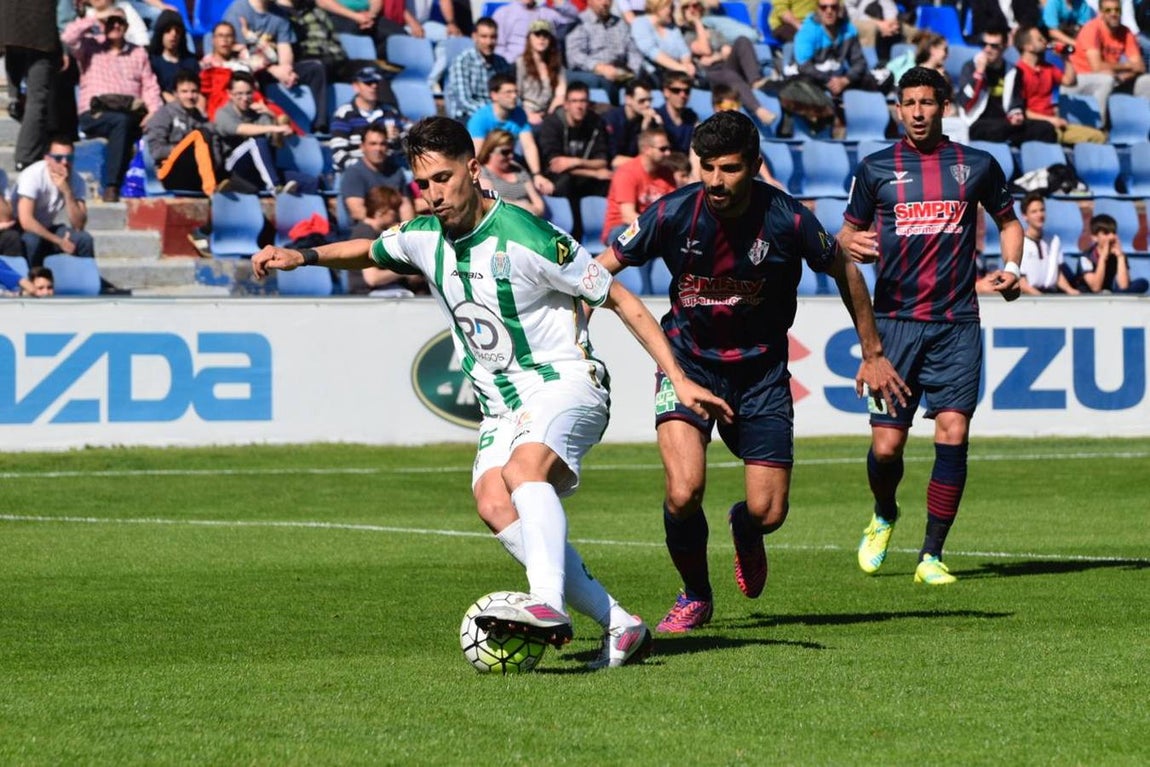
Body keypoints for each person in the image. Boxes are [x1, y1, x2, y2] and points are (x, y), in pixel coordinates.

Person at [251, 115, 735, 668]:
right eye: (423, 184)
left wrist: (677, 376)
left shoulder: (527, 236)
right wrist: (302, 254)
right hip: (501, 404)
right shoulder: (423, 239)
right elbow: (370, 249)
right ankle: (619, 625)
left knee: (523, 472)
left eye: (444, 179)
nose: (434, 195)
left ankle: (546, 604)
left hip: (565, 381)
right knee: (493, 502)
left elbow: (618, 298)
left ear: (473, 170)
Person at [596, 110, 907, 632]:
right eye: (708, 167)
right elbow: (598, 271)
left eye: (730, 169)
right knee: (683, 491)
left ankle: (744, 525)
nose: (716, 181)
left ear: (756, 166)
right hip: (688, 364)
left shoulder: (789, 218)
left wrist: (872, 352)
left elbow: (844, 267)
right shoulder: (671, 213)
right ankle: (696, 593)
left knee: (769, 514)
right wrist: (570, 327)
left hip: (761, 375)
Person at [838, 67, 1023, 586]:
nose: (917, 112)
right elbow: (844, 239)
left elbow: (1009, 222)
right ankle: (884, 513)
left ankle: (931, 555)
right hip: (893, 326)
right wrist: (849, 243)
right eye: (908, 103)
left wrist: (1011, 269)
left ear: (944, 106)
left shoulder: (977, 165)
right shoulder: (875, 169)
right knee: (886, 448)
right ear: (898, 109)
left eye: (926, 103)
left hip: (956, 322)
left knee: (954, 431)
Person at [61, 5, 163, 203]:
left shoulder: (138, 53)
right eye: (111, 22)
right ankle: (112, 185)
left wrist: (153, 111)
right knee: (121, 122)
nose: (115, 26)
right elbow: (68, 37)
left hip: (129, 111)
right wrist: (96, 17)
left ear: (126, 26)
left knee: (148, 122)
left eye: (120, 22)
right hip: (95, 113)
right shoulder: (90, 47)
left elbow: (150, 86)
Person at [13, 138, 130, 295]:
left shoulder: (76, 180)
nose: (64, 163)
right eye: (58, 158)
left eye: (69, 158)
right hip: (20, 228)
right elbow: (26, 221)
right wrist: (59, 241)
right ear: (47, 158)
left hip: (46, 228)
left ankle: (89, 285)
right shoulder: (33, 175)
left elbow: (79, 224)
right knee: (31, 240)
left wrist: (67, 192)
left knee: (83, 239)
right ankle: (34, 287)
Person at [223, 0, 330, 133]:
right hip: (252, 69)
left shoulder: (279, 13)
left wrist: (287, 70)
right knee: (253, 76)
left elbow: (284, 47)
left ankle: (320, 125)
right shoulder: (238, 11)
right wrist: (273, 70)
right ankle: (264, 122)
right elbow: (239, 52)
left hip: (276, 66)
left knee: (315, 68)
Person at [1, 1, 75, 170]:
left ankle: (14, 100)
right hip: (41, 36)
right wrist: (65, 49)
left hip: (9, 32)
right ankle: (25, 157)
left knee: (19, 90)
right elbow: (64, 13)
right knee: (37, 100)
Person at [533, 81, 612, 232]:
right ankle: (569, 233)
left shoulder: (595, 122)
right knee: (568, 182)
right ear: (566, 104)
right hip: (556, 179)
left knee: (609, 181)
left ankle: (606, 233)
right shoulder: (553, 123)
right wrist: (593, 172)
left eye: (583, 101)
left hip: (584, 177)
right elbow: (556, 166)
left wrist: (574, 161)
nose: (579, 106)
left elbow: (602, 162)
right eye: (574, 101)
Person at [959, 26, 1057, 145]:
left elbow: (1016, 102)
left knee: (1046, 129)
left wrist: (1016, 114)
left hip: (1005, 123)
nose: (987, 49)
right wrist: (979, 74)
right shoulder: (970, 67)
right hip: (978, 122)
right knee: (998, 129)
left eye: (994, 46)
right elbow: (965, 102)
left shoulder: (1013, 71)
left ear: (1005, 46)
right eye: (984, 44)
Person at [1013, 25, 1106, 145]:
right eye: (1040, 39)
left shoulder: (1047, 67)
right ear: (1028, 47)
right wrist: (1051, 120)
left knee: (1098, 136)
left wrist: (1066, 58)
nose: (1045, 41)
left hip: (1054, 124)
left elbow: (1070, 81)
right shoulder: (1018, 72)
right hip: (1036, 126)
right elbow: (1021, 112)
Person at [146, 70, 227, 196]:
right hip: (168, 172)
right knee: (199, 135)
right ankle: (211, 190)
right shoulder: (164, 114)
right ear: (175, 94)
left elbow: (217, 156)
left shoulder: (203, 119)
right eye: (184, 91)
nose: (190, 96)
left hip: (195, 173)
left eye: (194, 91)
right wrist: (184, 148)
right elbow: (156, 151)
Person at [213, 70, 294, 194]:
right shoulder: (223, 113)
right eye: (239, 94)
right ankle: (275, 189)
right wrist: (273, 128)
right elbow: (239, 129)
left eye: (248, 93)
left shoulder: (259, 114)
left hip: (258, 169)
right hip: (233, 166)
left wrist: (271, 114)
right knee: (257, 142)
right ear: (230, 94)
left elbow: (276, 141)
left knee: (308, 182)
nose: (245, 98)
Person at [1067, 0, 1150, 120]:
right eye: (1108, 10)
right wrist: (1127, 66)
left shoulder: (1125, 32)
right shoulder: (1092, 29)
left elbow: (1140, 66)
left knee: (1146, 81)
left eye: (1117, 10)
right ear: (1101, 13)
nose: (1113, 14)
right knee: (1106, 79)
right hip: (1083, 78)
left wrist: (1124, 76)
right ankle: (1101, 128)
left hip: (1115, 78)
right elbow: (1097, 67)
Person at [345, 185, 427, 296]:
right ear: (380, 211)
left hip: (388, 289)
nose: (396, 215)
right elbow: (373, 279)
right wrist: (405, 272)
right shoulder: (365, 233)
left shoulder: (382, 232)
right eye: (394, 210)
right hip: (366, 294)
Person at [465, 73, 547, 183]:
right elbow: (476, 154)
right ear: (494, 95)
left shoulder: (519, 114)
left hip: (509, 162)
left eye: (515, 92)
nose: (514, 96)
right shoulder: (479, 119)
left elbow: (529, 146)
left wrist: (537, 174)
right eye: (508, 92)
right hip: (486, 169)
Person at [329, 65, 410, 173]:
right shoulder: (344, 114)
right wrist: (367, 169)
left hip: (389, 171)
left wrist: (397, 139)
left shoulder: (390, 112)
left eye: (377, 82)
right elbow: (338, 155)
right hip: (356, 173)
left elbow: (407, 146)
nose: (374, 86)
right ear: (356, 86)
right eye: (368, 82)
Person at [601, 126, 676, 244]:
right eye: (663, 149)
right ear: (646, 149)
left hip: (652, 228)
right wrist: (656, 230)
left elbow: (673, 209)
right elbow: (628, 215)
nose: (668, 153)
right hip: (621, 228)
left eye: (669, 148)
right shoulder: (627, 172)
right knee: (640, 241)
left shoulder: (667, 173)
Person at [564, 0, 645, 105]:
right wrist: (600, 68)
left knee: (647, 81)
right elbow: (574, 56)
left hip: (619, 71)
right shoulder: (580, 23)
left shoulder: (620, 24)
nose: (605, 3)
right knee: (605, 82)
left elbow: (634, 52)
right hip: (590, 72)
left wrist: (632, 71)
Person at [339, 122, 416, 222]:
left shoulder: (396, 172)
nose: (378, 149)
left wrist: (408, 229)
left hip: (395, 229)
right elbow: (357, 212)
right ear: (362, 147)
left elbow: (405, 206)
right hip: (367, 230)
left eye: (382, 144)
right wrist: (386, 225)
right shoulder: (353, 173)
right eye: (373, 144)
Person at [445, 17, 513, 123]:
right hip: (468, 116)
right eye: (484, 37)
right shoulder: (462, 61)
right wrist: (493, 113)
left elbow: (510, 93)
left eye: (493, 37)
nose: (489, 42)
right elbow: (465, 102)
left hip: (500, 114)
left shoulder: (502, 63)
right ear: (474, 37)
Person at [1018, 192, 1081, 295]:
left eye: (1042, 210)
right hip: (1029, 297)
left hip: (1050, 293)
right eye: (1034, 212)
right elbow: (1022, 282)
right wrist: (1040, 298)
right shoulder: (1020, 243)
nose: (1040, 215)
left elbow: (1057, 274)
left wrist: (1070, 290)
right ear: (1025, 216)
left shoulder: (1054, 240)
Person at [1074, 213, 1150, 293]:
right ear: (1095, 237)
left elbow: (1123, 286)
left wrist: (1120, 257)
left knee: (1142, 283)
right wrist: (1103, 258)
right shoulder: (1086, 258)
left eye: (1113, 232)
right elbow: (1095, 288)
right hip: (1089, 296)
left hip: (1111, 294)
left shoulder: (1118, 254)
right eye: (1106, 234)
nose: (1111, 237)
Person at [477, 129, 547, 216]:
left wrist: (534, 213)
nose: (511, 156)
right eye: (505, 152)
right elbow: (490, 201)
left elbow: (539, 204)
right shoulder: (483, 172)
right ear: (490, 151)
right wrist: (522, 206)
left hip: (529, 219)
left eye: (512, 151)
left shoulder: (518, 169)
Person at [515, 19, 567, 125]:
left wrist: (550, 114)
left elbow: (560, 94)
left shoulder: (556, 63)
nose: (541, 38)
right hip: (526, 112)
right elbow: (516, 95)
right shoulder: (520, 63)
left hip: (549, 111)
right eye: (537, 34)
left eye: (545, 35)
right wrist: (528, 115)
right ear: (529, 38)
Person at [603, 79, 662, 167]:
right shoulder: (612, 120)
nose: (647, 104)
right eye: (642, 101)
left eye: (650, 100)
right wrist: (644, 162)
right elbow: (614, 160)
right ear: (628, 99)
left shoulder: (650, 118)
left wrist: (649, 128)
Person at [493, 0, 569, 62]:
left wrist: (559, 2)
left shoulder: (546, 13)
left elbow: (571, 21)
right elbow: (498, 47)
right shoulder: (504, 13)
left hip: (543, 64)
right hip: (513, 64)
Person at [147, 10, 199, 101]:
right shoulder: (152, 61)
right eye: (168, 31)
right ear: (160, 35)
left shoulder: (191, 61)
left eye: (177, 31)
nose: (173, 34)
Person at [654, 71, 698, 154]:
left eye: (687, 91)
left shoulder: (692, 117)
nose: (682, 95)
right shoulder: (656, 117)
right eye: (676, 90)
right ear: (666, 92)